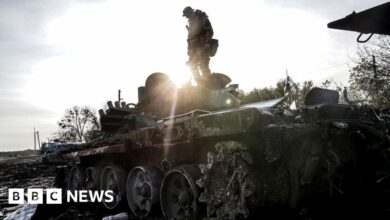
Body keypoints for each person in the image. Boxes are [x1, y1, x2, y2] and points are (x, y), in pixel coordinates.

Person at [183, 6, 214, 83]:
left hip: (202, 46)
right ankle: (200, 83)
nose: (187, 17)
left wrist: (207, 43)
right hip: (193, 49)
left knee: (203, 66)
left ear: (191, 12)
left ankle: (208, 83)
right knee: (192, 65)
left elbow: (210, 31)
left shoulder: (202, 18)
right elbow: (190, 39)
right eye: (186, 16)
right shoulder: (190, 22)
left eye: (188, 15)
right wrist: (189, 50)